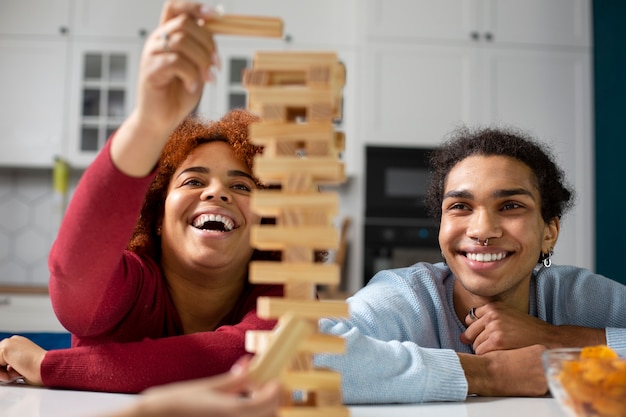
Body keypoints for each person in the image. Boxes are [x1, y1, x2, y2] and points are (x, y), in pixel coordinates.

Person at [0, 0, 282, 394]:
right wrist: (150, 122)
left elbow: (236, 359)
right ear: (156, 214)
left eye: (241, 186)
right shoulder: (127, 286)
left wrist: (49, 366)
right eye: (192, 181)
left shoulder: (282, 295)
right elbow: (74, 278)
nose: (216, 191)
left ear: (269, 222)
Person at [314, 126, 626, 403]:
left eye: (510, 206)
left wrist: (554, 338)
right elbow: (293, 357)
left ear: (549, 233)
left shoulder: (578, 296)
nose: (481, 230)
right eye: (460, 206)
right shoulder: (405, 297)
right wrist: (489, 373)